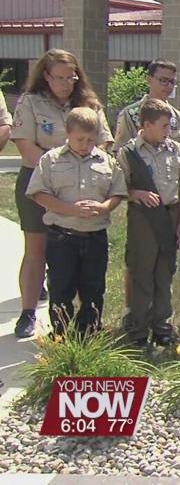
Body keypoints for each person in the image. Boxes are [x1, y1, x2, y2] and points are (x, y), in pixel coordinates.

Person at [11, 49, 113, 338]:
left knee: (77, 256)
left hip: (83, 185)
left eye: (71, 77)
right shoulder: (31, 102)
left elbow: (104, 143)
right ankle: (28, 312)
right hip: (40, 184)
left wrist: (84, 170)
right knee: (37, 250)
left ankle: (85, 319)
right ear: (45, 75)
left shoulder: (89, 104)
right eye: (59, 78)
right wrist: (58, 167)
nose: (65, 83)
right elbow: (25, 146)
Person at [26, 107, 126, 334]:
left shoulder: (106, 161)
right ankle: (60, 335)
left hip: (94, 237)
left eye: (91, 139)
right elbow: (39, 194)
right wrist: (69, 209)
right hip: (62, 236)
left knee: (93, 289)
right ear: (67, 133)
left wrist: (104, 207)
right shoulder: (51, 160)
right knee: (61, 287)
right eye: (80, 138)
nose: (86, 144)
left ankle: (88, 334)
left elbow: (118, 192)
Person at [113, 59, 180, 324]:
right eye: (163, 80)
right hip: (143, 205)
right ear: (150, 79)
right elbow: (121, 159)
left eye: (172, 81)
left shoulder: (179, 118)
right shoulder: (131, 114)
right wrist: (133, 192)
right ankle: (133, 313)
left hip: (169, 201)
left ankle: (161, 319)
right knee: (139, 262)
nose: (168, 86)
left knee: (164, 264)